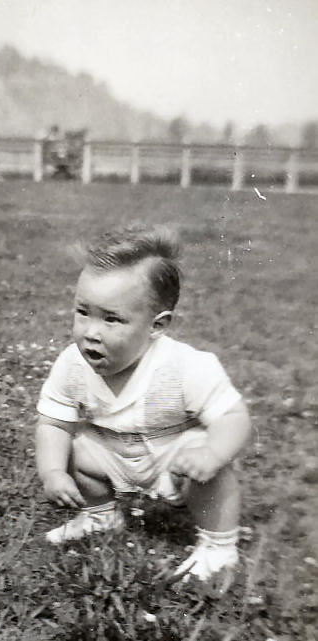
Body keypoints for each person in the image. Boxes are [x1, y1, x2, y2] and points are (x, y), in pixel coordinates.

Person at [35, 227, 252, 583]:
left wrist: (212, 452)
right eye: (82, 312)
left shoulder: (186, 366)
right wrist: (53, 472)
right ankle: (100, 516)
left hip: (175, 459)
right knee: (75, 448)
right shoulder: (71, 364)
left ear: (157, 326)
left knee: (209, 462)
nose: (91, 331)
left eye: (111, 318)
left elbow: (234, 416)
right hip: (116, 454)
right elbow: (53, 423)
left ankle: (218, 546)